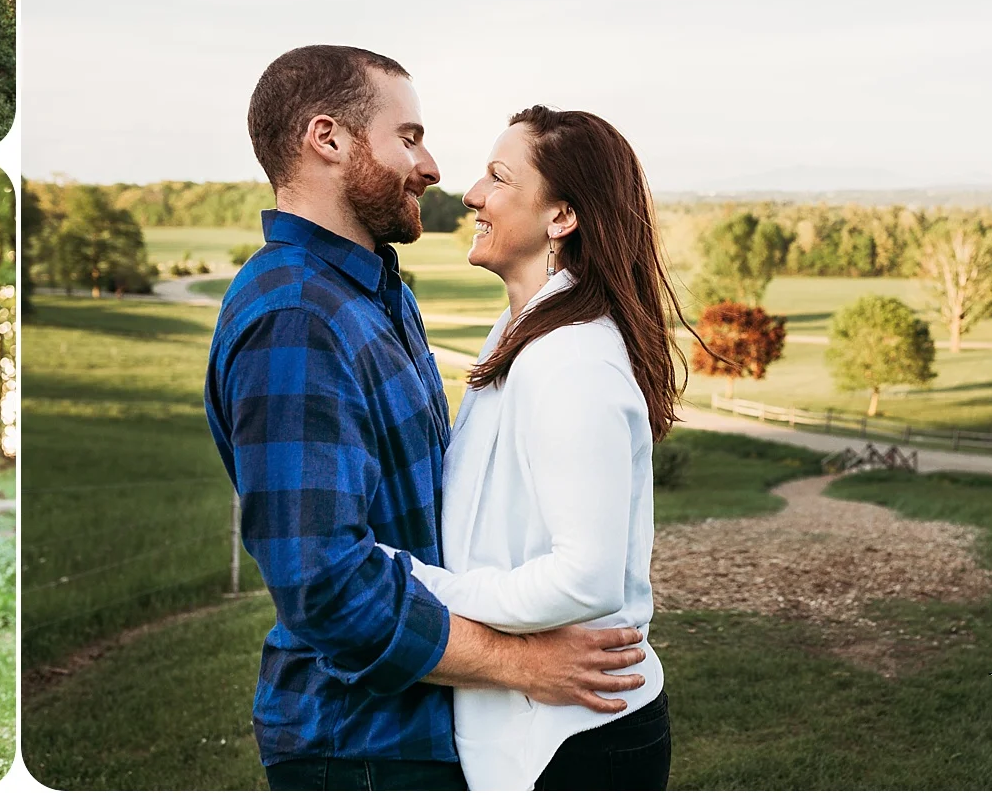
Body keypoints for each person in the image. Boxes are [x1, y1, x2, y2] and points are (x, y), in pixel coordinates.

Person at [206, 46, 647, 791]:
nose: (434, 166)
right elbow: (324, 586)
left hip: (428, 729)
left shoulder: (380, 293)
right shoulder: (295, 316)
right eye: (408, 136)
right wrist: (519, 662)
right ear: (329, 138)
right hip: (360, 743)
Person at [384, 107, 687, 790]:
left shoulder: (572, 359)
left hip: (572, 738)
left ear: (561, 218)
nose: (470, 194)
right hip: (532, 728)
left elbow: (586, 576)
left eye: (497, 177)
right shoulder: (517, 332)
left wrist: (424, 584)